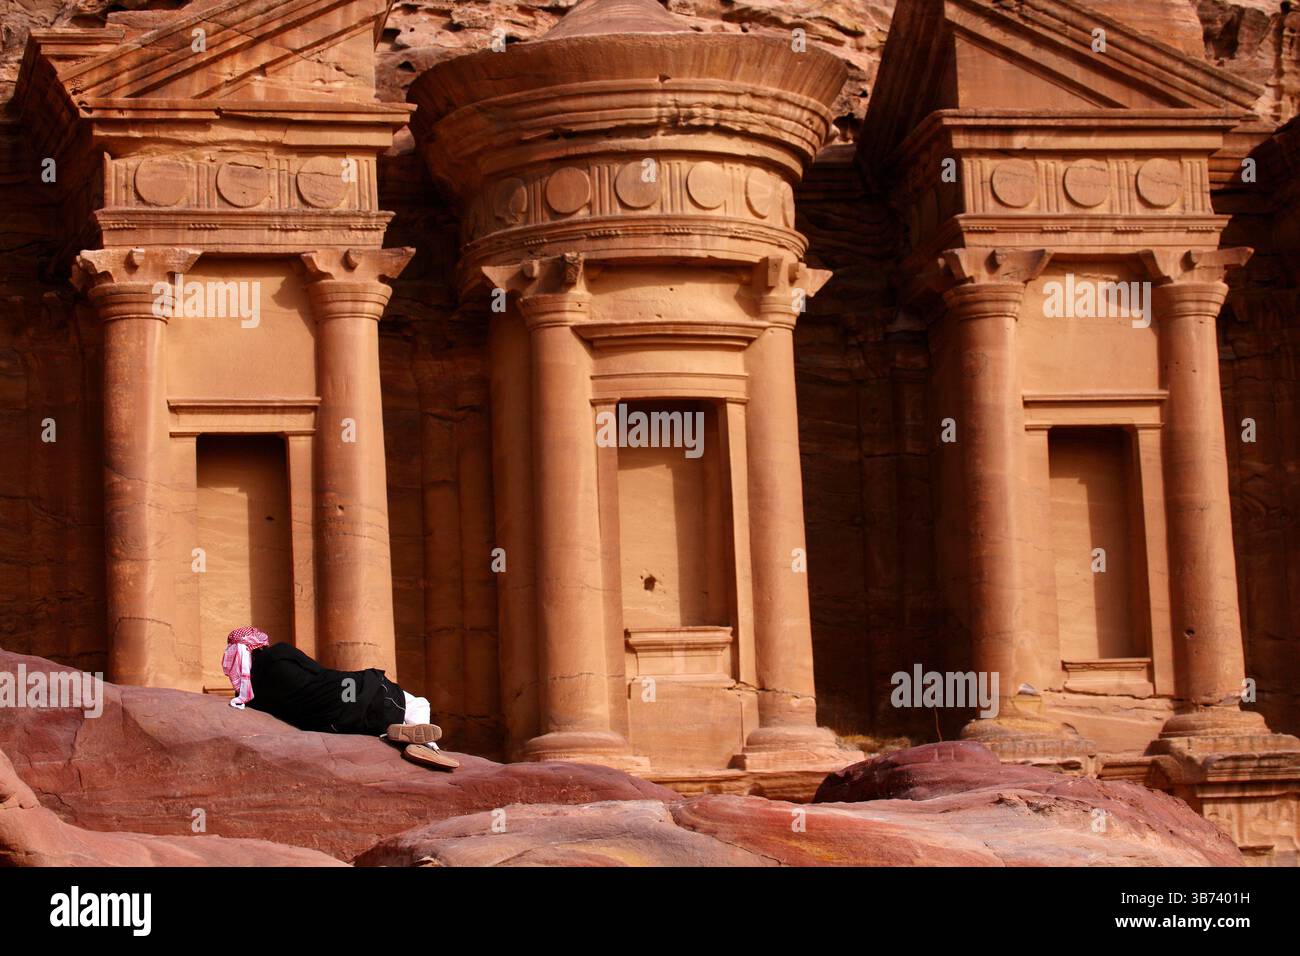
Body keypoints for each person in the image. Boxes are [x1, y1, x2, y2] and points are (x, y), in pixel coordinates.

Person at [221, 626, 458, 771]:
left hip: (325, 722)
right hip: (340, 693)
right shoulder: (279, 653)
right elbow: (316, 672)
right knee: (414, 701)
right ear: (259, 642)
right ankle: (426, 745)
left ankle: (393, 733)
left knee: (363, 712)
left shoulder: (249, 692)